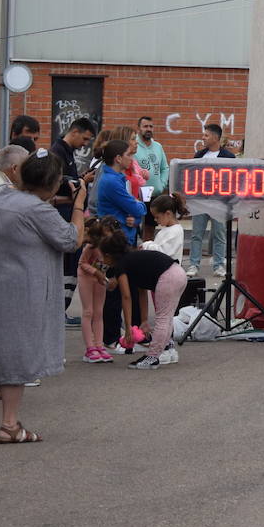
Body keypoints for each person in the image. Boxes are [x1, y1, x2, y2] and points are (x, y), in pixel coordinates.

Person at [0, 151, 84, 443]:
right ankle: (9, 425)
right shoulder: (38, 211)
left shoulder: (1, 196)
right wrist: (80, 206)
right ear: (53, 183)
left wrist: (56, 200)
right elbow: (71, 239)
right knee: (15, 355)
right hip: (20, 291)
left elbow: (30, 207)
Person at [99, 231, 189, 369]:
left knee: (163, 318)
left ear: (108, 255)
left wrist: (128, 327)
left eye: (102, 256)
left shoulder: (121, 265)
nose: (102, 260)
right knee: (167, 317)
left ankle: (153, 356)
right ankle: (167, 347)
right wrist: (144, 320)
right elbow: (142, 291)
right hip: (178, 273)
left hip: (168, 277)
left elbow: (126, 297)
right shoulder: (132, 259)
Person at [95, 139, 148, 350]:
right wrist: (139, 210)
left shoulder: (117, 178)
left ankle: (131, 334)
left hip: (124, 235)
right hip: (116, 242)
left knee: (128, 289)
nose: (131, 158)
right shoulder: (111, 181)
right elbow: (137, 208)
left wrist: (135, 218)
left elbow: (133, 213)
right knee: (118, 291)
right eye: (128, 154)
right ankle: (113, 337)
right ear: (118, 158)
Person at [51, 118, 97, 320]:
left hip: (69, 216)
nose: (85, 144)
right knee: (66, 267)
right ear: (75, 131)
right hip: (63, 217)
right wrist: (81, 181)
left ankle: (61, 310)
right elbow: (58, 183)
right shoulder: (57, 152)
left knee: (70, 267)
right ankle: (58, 311)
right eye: (85, 138)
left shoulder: (67, 152)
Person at [187, 124, 235, 278]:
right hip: (200, 201)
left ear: (215, 138)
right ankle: (194, 264)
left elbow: (233, 181)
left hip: (219, 203)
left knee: (220, 235)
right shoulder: (199, 156)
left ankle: (219, 265)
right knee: (196, 234)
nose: (203, 138)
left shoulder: (229, 157)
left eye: (206, 135)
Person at [77, 216, 122, 363]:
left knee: (99, 312)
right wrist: (95, 272)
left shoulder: (108, 248)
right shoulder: (90, 247)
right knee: (88, 311)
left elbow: (107, 264)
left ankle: (99, 345)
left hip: (99, 279)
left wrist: (102, 275)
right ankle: (90, 347)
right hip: (87, 278)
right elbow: (82, 263)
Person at [144, 193, 188, 259]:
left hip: (169, 268)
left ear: (168, 213)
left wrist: (147, 245)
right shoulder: (169, 230)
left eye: (157, 217)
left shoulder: (175, 231)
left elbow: (162, 252)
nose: (155, 219)